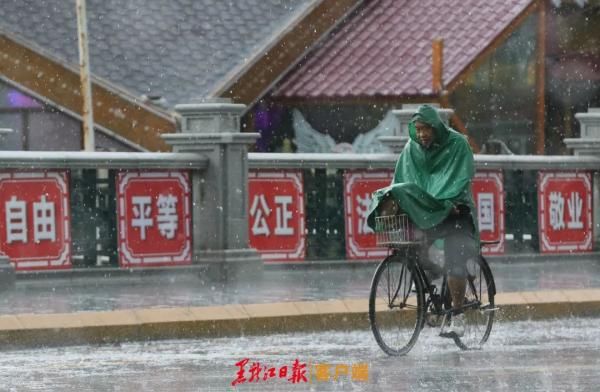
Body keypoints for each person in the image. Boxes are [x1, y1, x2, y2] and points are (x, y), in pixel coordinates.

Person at [367, 104, 479, 338]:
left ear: (436, 126)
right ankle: (434, 279)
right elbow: (403, 179)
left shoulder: (457, 144)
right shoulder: (412, 149)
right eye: (418, 129)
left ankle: (457, 315)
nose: (421, 134)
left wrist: (448, 201)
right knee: (412, 250)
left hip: (454, 212)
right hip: (427, 213)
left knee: (455, 259)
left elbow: (461, 177)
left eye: (426, 128)